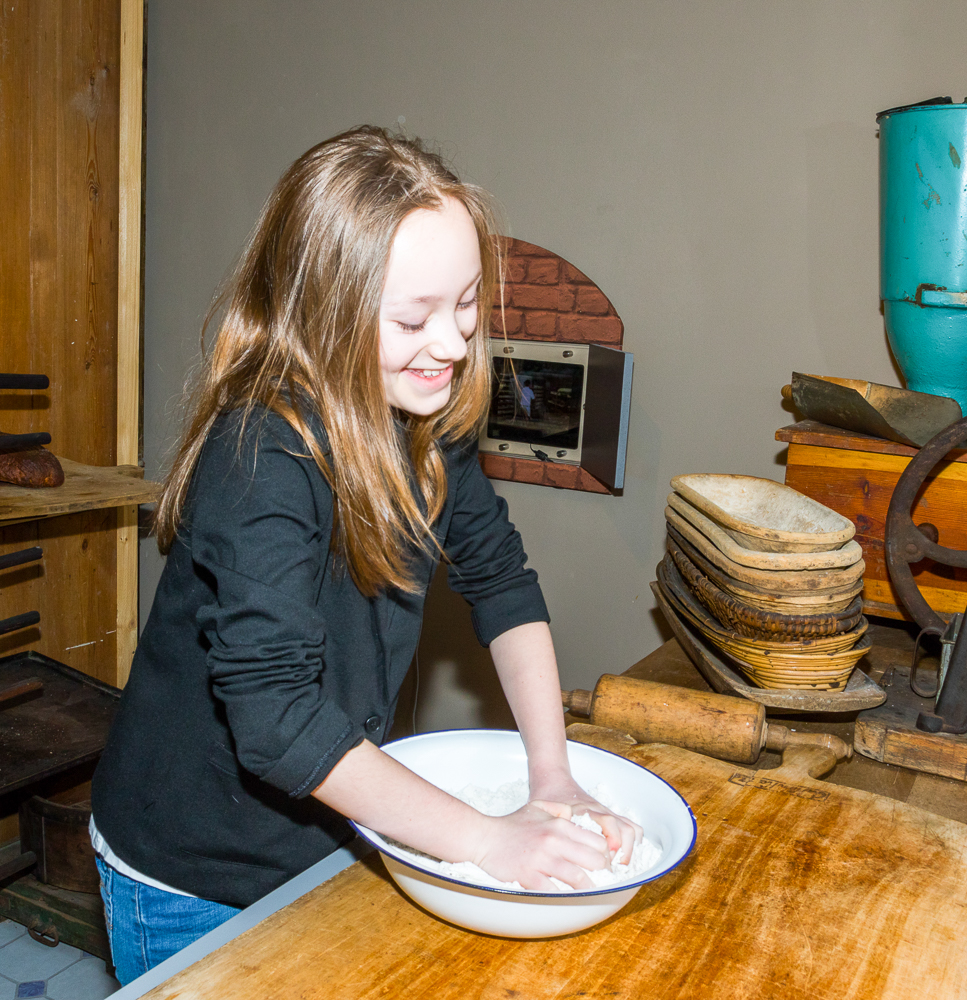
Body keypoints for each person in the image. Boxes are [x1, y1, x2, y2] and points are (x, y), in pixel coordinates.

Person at [90, 126, 640, 985]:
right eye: (415, 318)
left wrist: (552, 776)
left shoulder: (422, 414)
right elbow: (276, 718)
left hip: (327, 830)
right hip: (190, 866)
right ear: (323, 314)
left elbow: (501, 583)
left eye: (466, 305)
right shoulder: (259, 455)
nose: (455, 345)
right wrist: (490, 840)